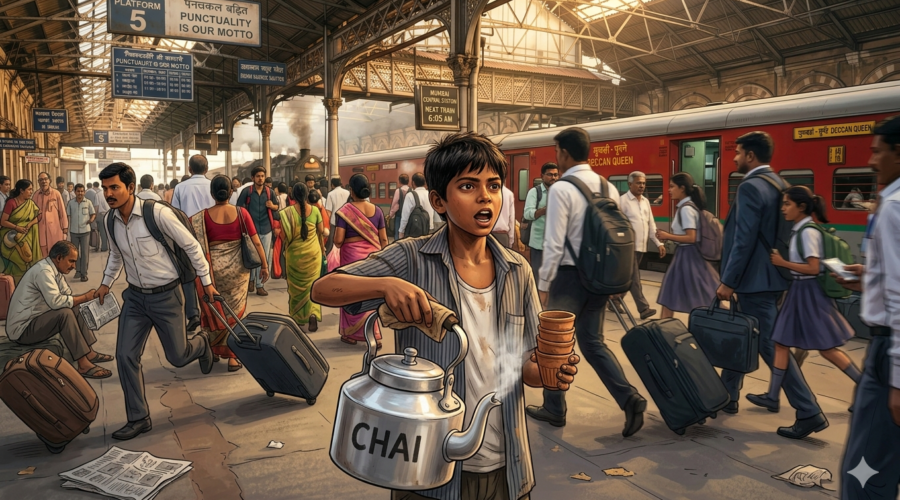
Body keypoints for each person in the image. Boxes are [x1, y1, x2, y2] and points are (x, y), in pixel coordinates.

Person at [312, 131, 580, 500]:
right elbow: (324, 289)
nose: (485, 196)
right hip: (426, 465)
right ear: (438, 200)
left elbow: (524, 369)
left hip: (506, 463)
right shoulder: (411, 257)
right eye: (468, 186)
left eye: (494, 185)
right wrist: (387, 285)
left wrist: (552, 373)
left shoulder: (517, 270)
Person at [529, 127, 647, 437]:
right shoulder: (607, 187)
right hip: (599, 277)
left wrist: (544, 284)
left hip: (569, 278)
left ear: (564, 153)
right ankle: (629, 398)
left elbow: (554, 244)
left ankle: (554, 408)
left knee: (555, 345)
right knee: (592, 343)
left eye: (557, 152)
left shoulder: (562, 189)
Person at [716, 131, 826, 439]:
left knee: (768, 344)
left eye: (737, 153)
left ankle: (808, 411)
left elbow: (744, 239)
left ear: (750, 156)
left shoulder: (751, 186)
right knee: (741, 336)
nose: (735, 158)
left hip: (754, 281)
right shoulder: (779, 183)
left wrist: (728, 280)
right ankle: (728, 395)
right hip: (772, 277)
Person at [95, 162, 216, 441]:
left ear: (130, 188)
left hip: (167, 296)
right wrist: (105, 283)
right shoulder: (109, 220)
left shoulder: (156, 213)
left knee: (177, 356)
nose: (109, 194)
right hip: (135, 298)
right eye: (105, 188)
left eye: (114, 187)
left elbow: (191, 246)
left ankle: (201, 343)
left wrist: (206, 283)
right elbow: (115, 255)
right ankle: (138, 418)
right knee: (125, 356)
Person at [747, 186, 859, 412]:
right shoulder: (800, 229)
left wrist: (783, 263)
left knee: (827, 348)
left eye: (787, 204)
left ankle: (866, 390)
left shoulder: (808, 232)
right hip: (799, 292)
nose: (783, 209)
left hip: (808, 294)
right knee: (780, 343)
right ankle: (772, 396)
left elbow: (813, 268)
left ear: (802, 207)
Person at [837, 115, 900, 500]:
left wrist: (897, 379)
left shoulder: (892, 207)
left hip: (888, 351)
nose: (872, 162)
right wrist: (871, 276)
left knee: (863, 474)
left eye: (878, 152)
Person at [191, 175, 269, 372]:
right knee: (236, 312)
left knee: (214, 309)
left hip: (212, 273)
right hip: (238, 272)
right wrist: (265, 266)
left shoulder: (201, 217)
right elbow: (256, 241)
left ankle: (214, 349)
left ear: (211, 193)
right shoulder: (242, 213)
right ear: (231, 192)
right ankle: (233, 357)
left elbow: (193, 248)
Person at [6, 240, 114, 379]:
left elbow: (67, 296)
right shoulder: (43, 271)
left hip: (36, 320)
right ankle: (83, 364)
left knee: (76, 307)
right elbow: (57, 302)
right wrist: (85, 297)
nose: (74, 266)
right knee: (65, 314)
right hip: (22, 330)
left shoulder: (54, 271)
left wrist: (85, 298)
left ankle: (89, 353)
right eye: (71, 261)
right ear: (58, 258)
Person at [333, 173, 388, 345]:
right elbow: (384, 239)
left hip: (351, 258)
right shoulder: (377, 210)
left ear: (351, 190)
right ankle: (374, 334)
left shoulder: (344, 212)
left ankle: (350, 334)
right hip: (372, 258)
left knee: (350, 294)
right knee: (370, 293)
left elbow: (338, 240)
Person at [655, 173, 719, 318]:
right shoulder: (689, 206)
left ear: (682, 188)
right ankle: (662, 330)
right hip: (686, 254)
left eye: (672, 187)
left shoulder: (686, 209)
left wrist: (667, 236)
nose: (669, 190)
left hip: (687, 255)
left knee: (695, 296)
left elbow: (691, 237)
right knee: (673, 296)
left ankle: (663, 330)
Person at [277, 183, 325, 332]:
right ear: (306, 195)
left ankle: (298, 319)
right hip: (313, 255)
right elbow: (321, 231)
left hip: (295, 257)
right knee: (313, 286)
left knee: (296, 289)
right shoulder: (316, 211)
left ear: (293, 196)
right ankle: (313, 314)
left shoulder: (287, 213)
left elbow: (283, 236)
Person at [618, 171, 664, 319]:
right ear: (630, 184)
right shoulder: (622, 201)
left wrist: (658, 243)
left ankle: (614, 299)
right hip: (627, 247)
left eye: (643, 183)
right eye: (638, 183)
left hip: (641, 247)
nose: (642, 186)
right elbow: (617, 225)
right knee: (635, 278)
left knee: (628, 279)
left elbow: (651, 225)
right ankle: (643, 308)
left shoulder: (645, 201)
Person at [236, 166, 280, 296]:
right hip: (251, 230)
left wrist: (272, 206)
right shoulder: (246, 192)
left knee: (263, 257)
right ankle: (251, 279)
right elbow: (238, 208)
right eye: (258, 176)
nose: (260, 178)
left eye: (262, 176)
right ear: (253, 178)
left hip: (266, 228)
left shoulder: (269, 192)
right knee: (252, 256)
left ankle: (260, 285)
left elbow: (277, 206)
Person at [0, 180, 42, 283]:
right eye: (29, 189)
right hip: (11, 238)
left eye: (32, 189)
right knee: (19, 262)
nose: (31, 192)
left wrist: (29, 224)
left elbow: (39, 216)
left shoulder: (30, 203)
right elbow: (3, 221)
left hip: (28, 236)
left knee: (28, 258)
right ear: (21, 190)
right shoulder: (11, 203)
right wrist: (17, 228)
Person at [522, 163, 559, 280]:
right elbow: (527, 213)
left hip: (556, 244)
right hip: (539, 244)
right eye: (550, 174)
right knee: (538, 277)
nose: (553, 177)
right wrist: (544, 210)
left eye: (556, 175)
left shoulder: (560, 192)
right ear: (542, 176)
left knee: (555, 279)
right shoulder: (534, 192)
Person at [33, 171, 69, 258]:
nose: (43, 181)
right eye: (41, 180)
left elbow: (62, 211)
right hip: (40, 230)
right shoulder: (36, 195)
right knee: (43, 255)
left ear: (50, 181)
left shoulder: (56, 194)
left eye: (45, 179)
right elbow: (32, 213)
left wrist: (65, 228)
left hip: (55, 230)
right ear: (38, 182)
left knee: (56, 254)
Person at [66, 184, 95, 282]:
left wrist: (91, 220)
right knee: (75, 253)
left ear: (84, 192)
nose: (80, 193)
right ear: (75, 192)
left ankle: (84, 273)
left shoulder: (88, 203)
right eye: (78, 191)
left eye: (82, 191)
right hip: (74, 231)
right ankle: (77, 271)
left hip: (85, 231)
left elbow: (93, 213)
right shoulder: (71, 203)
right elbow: (67, 216)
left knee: (85, 253)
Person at [398, 172, 436, 238]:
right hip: (429, 229)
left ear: (413, 182)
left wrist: (401, 231)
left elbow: (405, 216)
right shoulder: (430, 195)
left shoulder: (410, 195)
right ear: (424, 183)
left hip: (415, 231)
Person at [389, 174, 411, 240]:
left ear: (399, 181)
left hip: (399, 215)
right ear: (408, 181)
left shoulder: (398, 191)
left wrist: (391, 214)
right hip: (409, 216)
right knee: (407, 233)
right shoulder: (411, 190)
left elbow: (395, 204)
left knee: (398, 233)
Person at [94, 184, 111, 252]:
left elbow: (96, 206)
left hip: (101, 215)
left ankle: (104, 247)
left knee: (102, 232)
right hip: (110, 214)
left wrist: (94, 216)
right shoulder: (111, 193)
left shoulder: (98, 194)